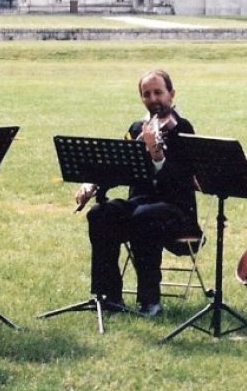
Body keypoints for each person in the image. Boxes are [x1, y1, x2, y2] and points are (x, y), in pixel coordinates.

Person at [73, 70, 201, 317]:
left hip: (177, 212)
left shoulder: (183, 128)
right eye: (146, 94)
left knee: (145, 216)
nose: (153, 99)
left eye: (158, 93)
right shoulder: (136, 129)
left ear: (171, 94)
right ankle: (108, 297)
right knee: (101, 213)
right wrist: (93, 183)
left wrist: (157, 156)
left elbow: (183, 179)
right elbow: (118, 166)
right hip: (139, 206)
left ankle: (149, 301)